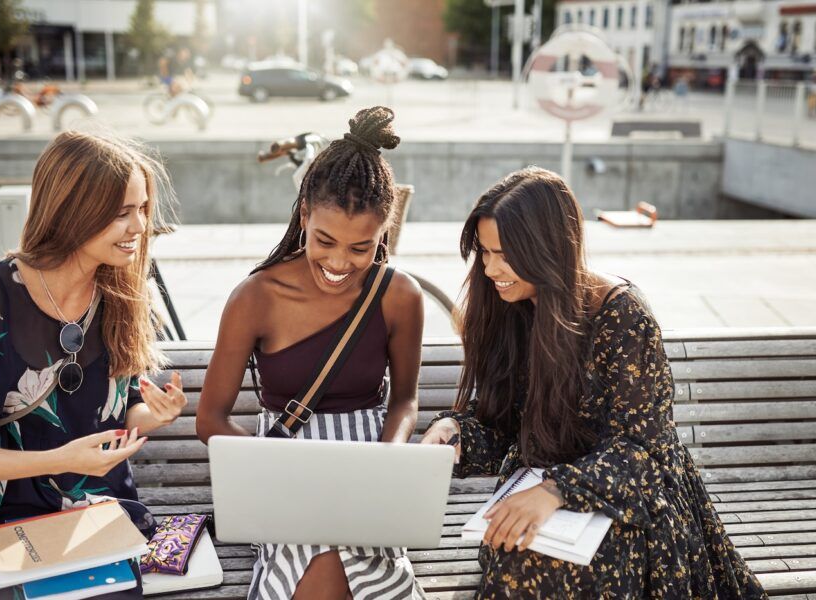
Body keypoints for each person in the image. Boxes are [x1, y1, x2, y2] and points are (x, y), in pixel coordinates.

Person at [421, 167, 768, 599]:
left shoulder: (621, 317)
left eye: (505, 253)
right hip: (539, 492)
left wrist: (557, 490)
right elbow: (505, 423)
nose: (491, 269)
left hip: (631, 501)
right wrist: (456, 433)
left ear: (545, 249)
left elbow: (643, 452)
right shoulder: (508, 308)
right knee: (517, 555)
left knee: (564, 573)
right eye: (485, 252)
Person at [196, 106, 426, 600]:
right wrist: (276, 469)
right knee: (321, 560)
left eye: (362, 248)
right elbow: (209, 418)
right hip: (281, 467)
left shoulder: (400, 295)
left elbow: (405, 400)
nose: (340, 262)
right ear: (303, 215)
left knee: (345, 558)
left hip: (368, 465)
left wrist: (388, 463)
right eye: (324, 241)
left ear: (384, 231)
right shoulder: (256, 296)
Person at [0, 131, 188, 598]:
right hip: (3, 521)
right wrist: (62, 460)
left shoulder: (123, 295)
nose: (139, 226)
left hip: (99, 514)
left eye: (141, 209)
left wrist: (150, 416)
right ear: (72, 211)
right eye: (122, 213)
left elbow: (116, 418)